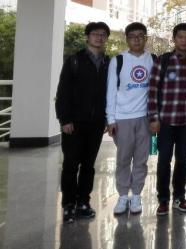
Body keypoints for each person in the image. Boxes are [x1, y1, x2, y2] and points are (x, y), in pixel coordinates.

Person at [55, 21, 111, 224]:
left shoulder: (108, 63)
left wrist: (108, 118)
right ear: (87, 37)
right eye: (95, 34)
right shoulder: (74, 61)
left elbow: (110, 93)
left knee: (89, 165)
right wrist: (65, 119)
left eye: (103, 34)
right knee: (71, 164)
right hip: (74, 123)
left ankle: (83, 202)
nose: (99, 37)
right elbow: (63, 92)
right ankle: (68, 204)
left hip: (96, 123)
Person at [147, 23, 186, 216]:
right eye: (180, 37)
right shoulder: (163, 60)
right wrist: (153, 118)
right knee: (164, 161)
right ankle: (163, 199)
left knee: (183, 161)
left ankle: (179, 197)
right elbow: (152, 91)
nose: (184, 40)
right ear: (174, 39)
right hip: (165, 121)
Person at [106, 22, 156, 216]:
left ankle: (136, 195)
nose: (137, 39)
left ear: (146, 38)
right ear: (126, 39)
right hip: (122, 118)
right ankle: (122, 196)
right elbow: (111, 91)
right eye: (132, 36)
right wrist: (111, 119)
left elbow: (157, 90)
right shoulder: (118, 61)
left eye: (140, 36)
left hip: (145, 118)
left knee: (141, 160)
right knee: (123, 160)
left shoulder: (153, 59)